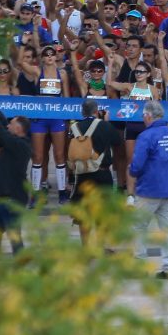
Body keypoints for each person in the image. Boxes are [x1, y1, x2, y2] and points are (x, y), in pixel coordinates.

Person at [128, 100, 168, 279]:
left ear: (148, 115)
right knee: (167, 230)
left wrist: (132, 172)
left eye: (144, 115)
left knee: (139, 227)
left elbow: (137, 165)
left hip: (149, 189)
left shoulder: (146, 136)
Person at [68, 98, 122, 246]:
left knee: (84, 214)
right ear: (96, 111)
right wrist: (107, 122)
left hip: (81, 175)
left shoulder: (74, 128)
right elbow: (117, 141)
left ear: (82, 112)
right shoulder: (104, 125)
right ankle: (100, 246)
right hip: (102, 173)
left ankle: (86, 247)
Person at [0, 98, 31, 255]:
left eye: (11, 124)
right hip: (4, 200)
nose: (8, 125)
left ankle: (20, 264)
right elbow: (3, 124)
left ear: (18, 129)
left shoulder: (19, 145)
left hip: (12, 200)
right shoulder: (16, 141)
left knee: (14, 237)